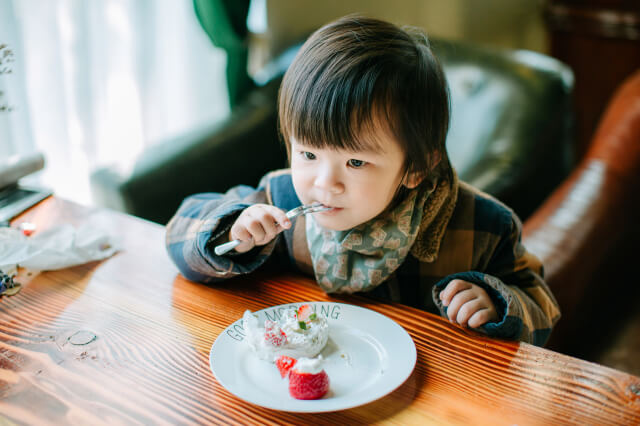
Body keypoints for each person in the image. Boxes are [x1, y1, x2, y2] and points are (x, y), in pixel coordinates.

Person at [165, 15, 560, 346]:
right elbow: (179, 233)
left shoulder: (483, 227)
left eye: (355, 161)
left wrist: (497, 305)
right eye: (308, 154)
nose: (324, 182)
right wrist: (228, 233)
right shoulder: (280, 199)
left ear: (416, 167)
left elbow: (543, 308)